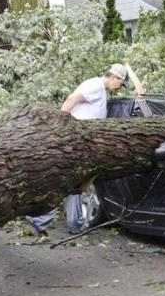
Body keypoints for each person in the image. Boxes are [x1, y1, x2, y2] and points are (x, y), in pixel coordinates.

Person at [27, 64, 127, 236]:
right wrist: (58, 124)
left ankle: (73, 223)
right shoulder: (95, 85)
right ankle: (41, 219)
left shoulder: (100, 89)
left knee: (75, 184)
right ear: (115, 78)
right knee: (69, 183)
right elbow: (72, 98)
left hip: (81, 143)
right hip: (75, 142)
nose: (119, 87)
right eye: (121, 83)